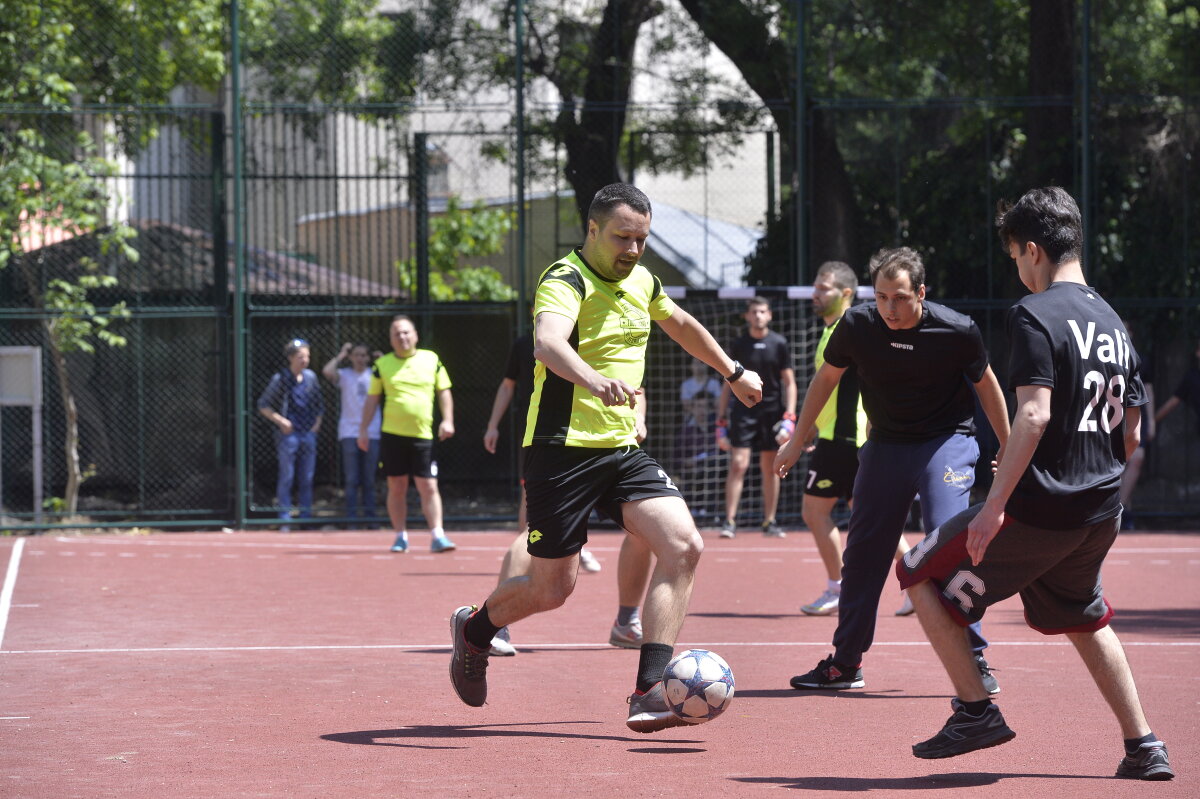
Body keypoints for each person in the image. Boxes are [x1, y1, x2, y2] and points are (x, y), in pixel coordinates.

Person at [448, 183, 763, 733]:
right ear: (592, 230)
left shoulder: (643, 280)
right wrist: (593, 380)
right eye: (623, 237)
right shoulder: (565, 279)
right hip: (559, 451)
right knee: (553, 590)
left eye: (642, 239)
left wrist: (732, 373)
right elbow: (548, 342)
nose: (634, 250)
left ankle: (648, 690)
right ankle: (475, 632)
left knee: (684, 546)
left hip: (621, 450)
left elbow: (681, 325)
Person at [894, 187, 1173, 781]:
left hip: (1042, 511)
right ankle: (1144, 745)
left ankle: (976, 711)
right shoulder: (1112, 320)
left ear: (1033, 250)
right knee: (1084, 616)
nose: (1018, 270)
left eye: (1017, 259)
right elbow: (1132, 432)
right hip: (1100, 510)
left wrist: (995, 505)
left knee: (918, 570)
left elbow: (1035, 414)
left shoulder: (1034, 313)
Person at [775, 246, 1011, 694]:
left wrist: (1009, 444)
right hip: (885, 442)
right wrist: (798, 437)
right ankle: (845, 664)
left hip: (947, 440)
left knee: (946, 541)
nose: (890, 308)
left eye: (900, 297)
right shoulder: (858, 325)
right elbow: (825, 379)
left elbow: (988, 386)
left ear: (921, 292)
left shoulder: (957, 330)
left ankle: (974, 657)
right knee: (864, 552)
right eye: (882, 297)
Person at [796, 261, 914, 617]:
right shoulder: (834, 329)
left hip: (846, 439)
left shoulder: (848, 329)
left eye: (824, 287)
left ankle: (838, 586)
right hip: (839, 436)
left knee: (815, 510)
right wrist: (813, 426)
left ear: (846, 293)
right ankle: (924, 580)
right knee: (869, 517)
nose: (816, 293)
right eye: (816, 286)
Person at [357, 315, 456, 554]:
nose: (402, 337)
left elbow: (444, 391)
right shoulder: (382, 366)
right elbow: (372, 400)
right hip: (392, 435)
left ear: (415, 335)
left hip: (423, 436)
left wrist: (448, 420)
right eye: (396, 334)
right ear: (391, 340)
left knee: (429, 486)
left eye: (406, 332)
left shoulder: (431, 360)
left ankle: (437, 535)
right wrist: (363, 430)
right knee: (396, 486)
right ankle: (400, 536)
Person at [716, 296, 797, 538]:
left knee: (771, 467)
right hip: (743, 411)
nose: (758, 316)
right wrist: (720, 420)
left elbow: (790, 383)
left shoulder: (779, 343)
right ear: (747, 316)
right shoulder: (739, 344)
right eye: (754, 312)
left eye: (763, 311)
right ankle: (729, 521)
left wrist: (790, 416)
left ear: (769, 315)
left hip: (772, 412)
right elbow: (727, 383)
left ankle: (769, 522)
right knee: (738, 464)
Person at [257, 338, 324, 531]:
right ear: (291, 358)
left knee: (307, 478)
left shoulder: (311, 377)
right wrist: (281, 421)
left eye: (307, 356)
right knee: (287, 477)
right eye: (300, 356)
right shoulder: (280, 379)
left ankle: (306, 518)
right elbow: (263, 405)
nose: (305, 360)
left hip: (308, 434)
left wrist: (316, 425)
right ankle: (285, 519)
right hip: (289, 436)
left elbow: (319, 405)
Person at [322, 342, 382, 526]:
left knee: (369, 479)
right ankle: (352, 519)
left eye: (364, 355)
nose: (360, 358)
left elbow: (395, 379)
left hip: (372, 432)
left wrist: (384, 360)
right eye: (357, 355)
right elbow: (327, 371)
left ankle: (371, 519)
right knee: (351, 479)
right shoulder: (345, 375)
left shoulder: (375, 374)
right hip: (349, 432)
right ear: (351, 357)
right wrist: (340, 355)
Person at [1116, 322, 1154, 529]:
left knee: (1136, 458)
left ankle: (1119, 509)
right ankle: (1119, 510)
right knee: (1117, 464)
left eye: (1128, 328)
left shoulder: (1139, 359)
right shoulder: (1106, 354)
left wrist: (1152, 420)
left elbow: (1148, 391)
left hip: (1135, 414)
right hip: (1113, 416)